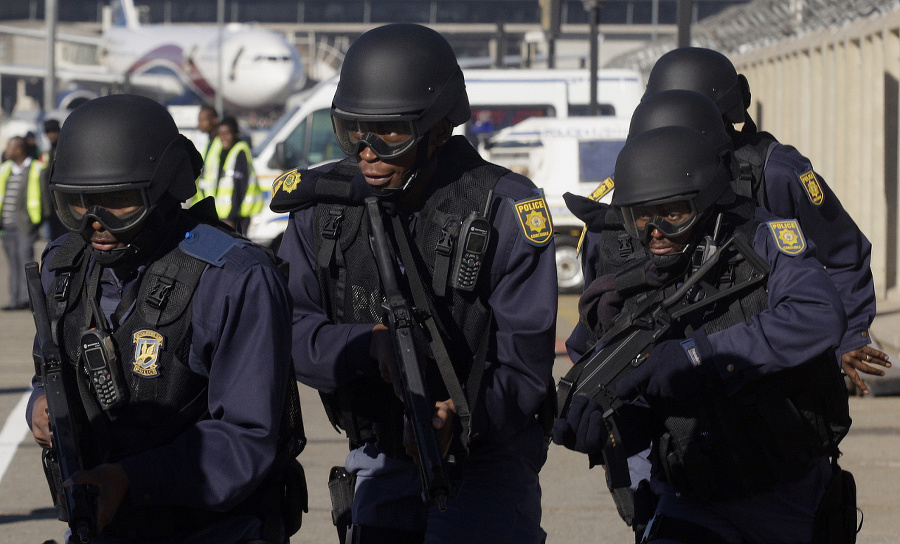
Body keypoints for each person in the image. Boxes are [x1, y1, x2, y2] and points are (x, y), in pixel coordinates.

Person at [272, 23, 557, 544]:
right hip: (377, 456)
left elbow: (525, 369)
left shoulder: (505, 210)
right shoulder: (323, 210)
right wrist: (367, 345)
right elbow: (289, 330)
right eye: (352, 129)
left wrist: (460, 417)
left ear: (440, 126)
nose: (368, 149)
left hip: (486, 462)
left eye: (391, 131)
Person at [25, 94, 305, 544]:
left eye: (118, 201)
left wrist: (132, 479)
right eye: (78, 203)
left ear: (163, 189)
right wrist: (41, 408)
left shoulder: (233, 279)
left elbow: (247, 440)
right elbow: (48, 368)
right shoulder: (63, 266)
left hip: (214, 530)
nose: (94, 222)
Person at [554, 125, 853, 544]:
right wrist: (608, 431)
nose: (654, 232)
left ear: (706, 203)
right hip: (692, 495)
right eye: (640, 217)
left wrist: (700, 355)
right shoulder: (629, 282)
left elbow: (819, 313)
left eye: (672, 214)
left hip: (786, 492)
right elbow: (635, 406)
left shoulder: (759, 239)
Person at [642, 46, 888, 394]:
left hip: (769, 368)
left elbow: (843, 252)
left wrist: (849, 333)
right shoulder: (641, 179)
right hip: (670, 373)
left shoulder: (773, 172)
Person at [196, 116, 261, 234]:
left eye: (227, 133)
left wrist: (231, 217)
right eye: (221, 133)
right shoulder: (221, 150)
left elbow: (238, 187)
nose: (224, 137)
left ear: (235, 134)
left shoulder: (240, 151)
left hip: (236, 215)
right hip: (223, 214)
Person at [0, 135, 44, 310]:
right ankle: (15, 300)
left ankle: (28, 300)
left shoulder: (36, 168)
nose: (7, 151)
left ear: (18, 150)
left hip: (26, 224)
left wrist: (38, 222)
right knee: (13, 263)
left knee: (25, 261)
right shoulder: (4, 169)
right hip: (6, 224)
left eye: (10, 147)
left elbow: (44, 199)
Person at [40, 118, 68, 241]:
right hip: (51, 203)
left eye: (53, 131)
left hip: (66, 201)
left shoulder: (66, 150)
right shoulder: (47, 153)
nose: (50, 135)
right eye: (48, 132)